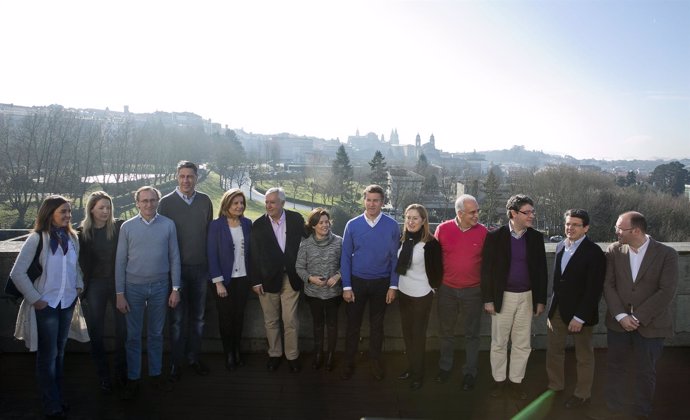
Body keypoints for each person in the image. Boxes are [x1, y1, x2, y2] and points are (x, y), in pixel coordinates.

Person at [588, 211, 678, 420]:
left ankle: (641, 410)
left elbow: (667, 291)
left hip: (651, 325)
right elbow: (607, 285)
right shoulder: (613, 251)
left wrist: (637, 317)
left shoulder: (667, 254)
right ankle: (613, 407)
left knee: (645, 371)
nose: (616, 232)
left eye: (620, 228)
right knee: (615, 367)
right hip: (618, 324)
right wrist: (620, 315)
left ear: (636, 230)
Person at [11, 195, 85, 419]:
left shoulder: (72, 238)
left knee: (60, 353)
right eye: (63, 211)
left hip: (67, 302)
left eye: (69, 212)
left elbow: (75, 267)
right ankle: (51, 401)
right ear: (49, 212)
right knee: (48, 354)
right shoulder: (37, 238)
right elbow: (17, 273)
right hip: (47, 305)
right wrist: (36, 298)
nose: (68, 215)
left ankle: (58, 396)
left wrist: (79, 285)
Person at [115, 186, 181, 399]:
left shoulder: (168, 225)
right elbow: (120, 262)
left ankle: (155, 375)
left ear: (157, 202)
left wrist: (175, 289)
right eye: (144, 200)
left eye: (152, 200)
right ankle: (134, 378)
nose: (148, 204)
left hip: (161, 287)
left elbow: (175, 258)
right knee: (133, 336)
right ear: (137, 203)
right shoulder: (127, 227)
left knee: (156, 334)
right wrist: (119, 293)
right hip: (133, 288)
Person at [480, 194, 547, 400]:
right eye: (527, 212)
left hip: (527, 297)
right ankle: (499, 382)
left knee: (522, 343)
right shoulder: (495, 236)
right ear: (513, 213)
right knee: (499, 342)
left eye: (532, 212)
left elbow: (542, 271)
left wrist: (540, 300)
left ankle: (516, 382)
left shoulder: (535, 238)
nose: (532, 216)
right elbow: (486, 271)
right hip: (503, 297)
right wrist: (488, 299)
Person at [545, 209, 606, 409]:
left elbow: (594, 290)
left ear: (586, 228)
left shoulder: (594, 252)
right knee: (554, 352)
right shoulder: (561, 245)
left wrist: (579, 317)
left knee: (584, 357)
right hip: (557, 312)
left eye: (576, 225)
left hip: (581, 315)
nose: (570, 228)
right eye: (568, 224)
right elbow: (558, 282)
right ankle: (555, 386)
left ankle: (582, 395)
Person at [158, 161, 213, 380]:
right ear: (176, 177)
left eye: (190, 176)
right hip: (176, 272)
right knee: (177, 320)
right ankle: (176, 362)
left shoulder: (205, 201)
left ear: (196, 177)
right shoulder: (166, 203)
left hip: (200, 269)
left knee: (198, 319)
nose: (186, 180)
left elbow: (209, 234)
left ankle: (193, 358)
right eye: (182, 176)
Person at [340, 184, 400, 381]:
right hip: (357, 283)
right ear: (364, 201)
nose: (372, 203)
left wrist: (393, 285)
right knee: (352, 325)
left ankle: (375, 361)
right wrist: (346, 286)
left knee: (377, 326)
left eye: (376, 200)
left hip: (381, 283)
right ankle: (349, 361)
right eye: (369, 199)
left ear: (382, 202)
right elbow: (346, 256)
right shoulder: (353, 224)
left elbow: (394, 259)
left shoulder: (392, 226)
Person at [250, 187, 306, 373]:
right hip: (266, 280)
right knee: (271, 321)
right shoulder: (258, 225)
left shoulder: (296, 219)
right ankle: (275, 354)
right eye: (266, 202)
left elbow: (310, 240)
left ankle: (292, 356)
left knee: (290, 320)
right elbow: (253, 255)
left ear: (282, 203)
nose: (268, 206)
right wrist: (255, 281)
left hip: (292, 277)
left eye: (272, 202)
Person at [434, 194, 487, 390]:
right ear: (460, 213)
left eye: (477, 211)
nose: (477, 215)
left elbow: (489, 264)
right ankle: (445, 367)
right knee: (446, 332)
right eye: (472, 212)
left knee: (472, 334)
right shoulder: (443, 229)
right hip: (447, 290)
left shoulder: (483, 232)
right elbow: (434, 259)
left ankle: (470, 373)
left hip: (473, 291)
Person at [78, 191, 127, 393]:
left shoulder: (119, 227)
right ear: (91, 209)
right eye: (101, 208)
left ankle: (121, 372)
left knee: (122, 330)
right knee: (96, 331)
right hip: (95, 286)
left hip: (118, 284)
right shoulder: (81, 233)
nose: (106, 211)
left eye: (108, 207)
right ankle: (103, 375)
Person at [395, 204, 442, 391]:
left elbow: (437, 272)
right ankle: (411, 367)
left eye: (415, 218)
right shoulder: (404, 240)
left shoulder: (430, 244)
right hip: (404, 292)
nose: (411, 221)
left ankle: (418, 374)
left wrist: (432, 289)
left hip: (421, 295)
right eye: (408, 217)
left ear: (423, 221)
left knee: (418, 335)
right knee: (407, 334)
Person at [207, 188, 252, 371]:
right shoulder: (216, 225)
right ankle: (229, 354)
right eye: (235, 203)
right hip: (223, 281)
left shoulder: (248, 223)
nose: (239, 206)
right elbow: (211, 254)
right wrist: (218, 282)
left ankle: (237, 351)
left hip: (243, 279)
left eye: (241, 203)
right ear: (227, 204)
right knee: (225, 319)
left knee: (239, 318)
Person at [295, 208, 343, 371]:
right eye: (320, 222)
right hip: (313, 293)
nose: (324, 225)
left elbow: (347, 264)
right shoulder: (306, 244)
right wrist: (310, 279)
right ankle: (318, 355)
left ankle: (330, 356)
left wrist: (338, 276)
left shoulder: (339, 242)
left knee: (332, 325)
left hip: (333, 293)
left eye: (326, 222)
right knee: (317, 325)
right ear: (313, 225)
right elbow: (299, 267)